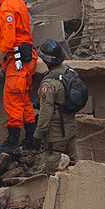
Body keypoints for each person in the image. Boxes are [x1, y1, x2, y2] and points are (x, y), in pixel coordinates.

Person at [0, 0, 38, 155]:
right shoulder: (16, 2)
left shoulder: (7, 8)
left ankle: (13, 142)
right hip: (26, 58)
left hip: (16, 60)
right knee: (24, 100)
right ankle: (31, 139)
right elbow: (7, 9)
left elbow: (8, 40)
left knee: (12, 99)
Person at [35, 39, 80, 174]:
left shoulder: (49, 84)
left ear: (46, 61)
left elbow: (45, 115)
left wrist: (37, 135)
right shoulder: (70, 72)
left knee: (54, 172)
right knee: (73, 167)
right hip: (71, 129)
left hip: (56, 135)